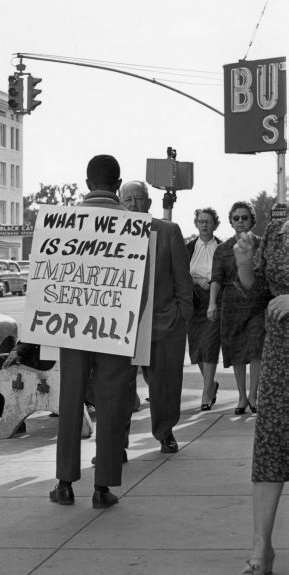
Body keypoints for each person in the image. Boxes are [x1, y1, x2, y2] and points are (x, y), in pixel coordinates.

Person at [50, 155, 138, 510]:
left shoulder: (62, 223)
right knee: (112, 402)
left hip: (72, 325)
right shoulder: (134, 226)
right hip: (117, 326)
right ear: (118, 185)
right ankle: (102, 487)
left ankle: (65, 483)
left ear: (86, 185)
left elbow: (48, 279)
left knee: (71, 399)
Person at [120, 181, 193, 453]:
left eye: (139, 199)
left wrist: (181, 313)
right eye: (128, 199)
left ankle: (165, 432)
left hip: (164, 321)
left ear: (149, 202)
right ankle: (117, 442)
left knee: (165, 383)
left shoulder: (168, 231)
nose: (134, 205)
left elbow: (182, 279)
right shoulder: (110, 233)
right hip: (121, 327)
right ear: (120, 201)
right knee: (119, 387)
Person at [234, 219, 288, 575]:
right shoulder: (278, 232)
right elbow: (255, 291)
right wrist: (243, 261)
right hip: (282, 351)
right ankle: (260, 548)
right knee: (270, 444)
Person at [208, 202, 269, 414]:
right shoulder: (223, 249)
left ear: (253, 220)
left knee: (255, 348)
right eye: (236, 218)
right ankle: (241, 396)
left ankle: (254, 396)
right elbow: (216, 278)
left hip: (258, 303)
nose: (241, 221)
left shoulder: (263, 244)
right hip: (231, 303)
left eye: (245, 217)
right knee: (236, 351)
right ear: (231, 221)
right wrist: (211, 304)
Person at [0, 342, 54, 435]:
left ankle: (15, 419)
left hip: (51, 363)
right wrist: (16, 351)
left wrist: (18, 351)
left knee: (14, 372)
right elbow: (30, 336)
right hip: (33, 356)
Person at [186, 208, 222, 410]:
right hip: (195, 300)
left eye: (208, 221)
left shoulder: (222, 247)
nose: (204, 224)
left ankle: (206, 391)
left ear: (215, 224)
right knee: (197, 349)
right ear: (196, 224)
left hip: (215, 300)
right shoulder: (189, 248)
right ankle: (211, 383)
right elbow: (181, 273)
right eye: (201, 221)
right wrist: (198, 280)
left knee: (209, 346)